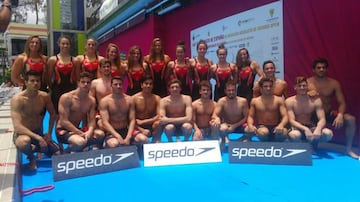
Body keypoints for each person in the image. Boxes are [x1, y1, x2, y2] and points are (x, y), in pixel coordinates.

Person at [307, 57, 358, 158]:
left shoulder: (334, 83)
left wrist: (340, 115)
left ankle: (348, 149)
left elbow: (342, 103)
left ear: (327, 69)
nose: (321, 69)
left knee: (350, 119)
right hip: (313, 115)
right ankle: (312, 146)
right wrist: (307, 94)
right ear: (314, 70)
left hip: (328, 112)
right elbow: (298, 99)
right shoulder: (307, 83)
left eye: (323, 67)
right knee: (313, 148)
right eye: (319, 67)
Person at [11, 70, 57, 170]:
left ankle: (36, 148)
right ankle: (31, 157)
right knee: (23, 142)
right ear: (26, 82)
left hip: (39, 133)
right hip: (23, 134)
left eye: (38, 81)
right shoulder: (18, 99)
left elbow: (53, 114)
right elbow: (17, 127)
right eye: (32, 81)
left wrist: (49, 133)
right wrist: (39, 138)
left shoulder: (44, 97)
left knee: (57, 154)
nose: (35, 83)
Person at [56, 72, 105, 153]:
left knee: (100, 135)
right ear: (78, 83)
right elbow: (64, 121)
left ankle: (74, 149)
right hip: (62, 130)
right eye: (83, 82)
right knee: (80, 142)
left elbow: (92, 121)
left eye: (88, 82)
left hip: (78, 130)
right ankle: (67, 152)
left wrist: (90, 131)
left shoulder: (91, 101)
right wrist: (80, 133)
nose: (85, 84)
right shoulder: (67, 98)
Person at [286, 77, 333, 149]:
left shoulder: (316, 100)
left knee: (328, 134)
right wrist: (305, 129)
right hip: (297, 127)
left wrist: (318, 128)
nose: (302, 88)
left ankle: (314, 145)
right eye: (299, 86)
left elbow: (322, 119)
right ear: (295, 87)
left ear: (307, 86)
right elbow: (291, 120)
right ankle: (301, 148)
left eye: (304, 86)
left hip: (311, 125)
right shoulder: (289, 101)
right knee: (294, 135)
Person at [99, 76, 137, 147]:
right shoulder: (105, 101)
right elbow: (105, 122)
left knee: (143, 139)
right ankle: (106, 144)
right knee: (114, 144)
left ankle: (138, 153)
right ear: (111, 86)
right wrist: (117, 136)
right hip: (112, 132)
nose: (118, 86)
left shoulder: (129, 100)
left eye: (120, 84)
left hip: (126, 130)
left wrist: (128, 136)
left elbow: (132, 120)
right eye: (115, 84)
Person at [245, 77, 288, 142]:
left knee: (283, 133)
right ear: (261, 88)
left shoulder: (279, 100)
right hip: (262, 127)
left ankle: (277, 147)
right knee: (261, 132)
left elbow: (285, 116)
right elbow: (250, 116)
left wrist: (281, 125)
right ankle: (265, 147)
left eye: (270, 86)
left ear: (273, 87)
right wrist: (250, 125)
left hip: (276, 126)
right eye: (265, 86)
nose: (268, 88)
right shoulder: (255, 101)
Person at [47, 35, 80, 113]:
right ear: (59, 44)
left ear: (70, 45)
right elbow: (48, 77)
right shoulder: (53, 60)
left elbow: (78, 78)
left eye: (67, 44)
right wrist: (52, 88)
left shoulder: (75, 61)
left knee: (71, 112)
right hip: (57, 89)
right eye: (63, 43)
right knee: (57, 113)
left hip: (71, 89)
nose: (65, 46)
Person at [213, 81, 248, 147]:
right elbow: (214, 115)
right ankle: (223, 140)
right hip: (227, 125)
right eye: (229, 90)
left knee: (250, 129)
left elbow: (246, 117)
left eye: (233, 90)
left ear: (236, 90)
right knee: (220, 127)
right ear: (225, 91)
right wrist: (217, 118)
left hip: (240, 125)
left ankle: (242, 139)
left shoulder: (243, 101)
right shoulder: (221, 101)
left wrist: (234, 126)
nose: (231, 92)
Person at [133, 75, 162, 143]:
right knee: (143, 140)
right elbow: (130, 119)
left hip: (151, 124)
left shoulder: (157, 98)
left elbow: (159, 116)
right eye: (146, 83)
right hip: (137, 126)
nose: (148, 86)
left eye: (150, 84)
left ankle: (156, 142)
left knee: (159, 123)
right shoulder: (133, 99)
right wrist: (142, 130)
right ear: (141, 85)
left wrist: (143, 122)